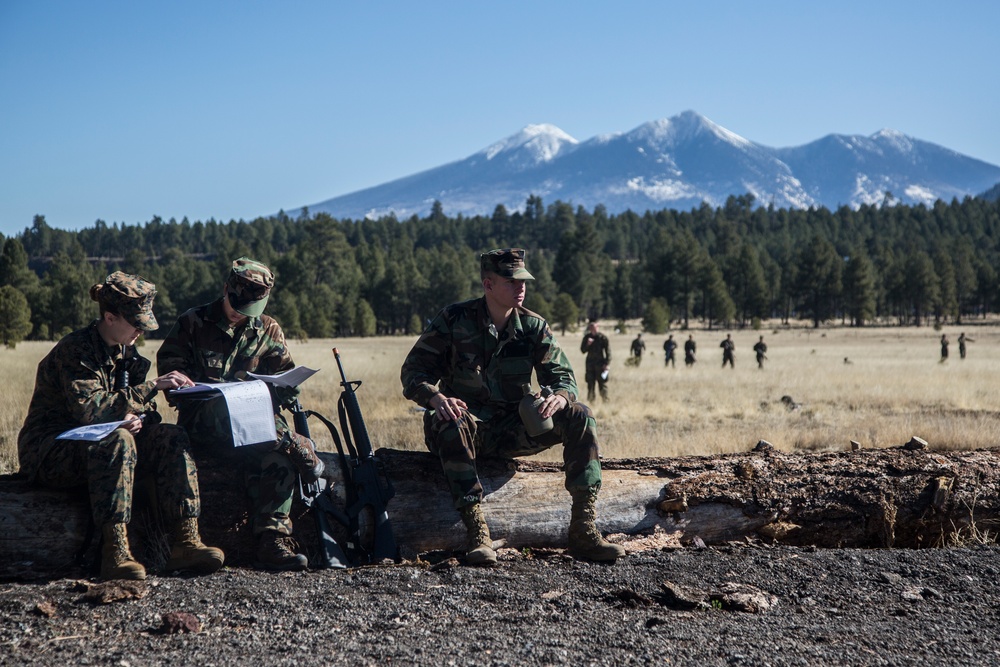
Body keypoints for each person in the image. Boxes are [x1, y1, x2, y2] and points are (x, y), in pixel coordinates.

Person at [400, 248, 625, 566]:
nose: (521, 287)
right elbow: (413, 372)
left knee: (581, 415)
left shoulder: (533, 327)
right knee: (452, 419)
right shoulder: (453, 320)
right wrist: (436, 398)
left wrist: (560, 396)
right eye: (512, 281)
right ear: (488, 284)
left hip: (513, 430)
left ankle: (584, 529)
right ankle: (476, 533)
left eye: (524, 281)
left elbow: (563, 378)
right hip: (464, 429)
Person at [17, 272, 224, 580]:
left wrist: (142, 418)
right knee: (119, 440)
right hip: (51, 451)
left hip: (99, 445)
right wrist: (152, 386)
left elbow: (145, 411)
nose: (141, 330)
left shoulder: (127, 353)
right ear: (110, 317)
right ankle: (115, 553)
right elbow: (90, 410)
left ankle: (186, 541)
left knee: (170, 435)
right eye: (136, 323)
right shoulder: (76, 351)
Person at [157, 257, 323, 571]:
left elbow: (285, 378)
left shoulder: (268, 328)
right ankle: (291, 442)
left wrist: (286, 387)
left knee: (279, 462)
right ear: (225, 290)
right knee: (227, 406)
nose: (240, 315)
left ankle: (273, 540)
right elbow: (170, 373)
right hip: (206, 424)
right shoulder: (192, 322)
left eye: (249, 311)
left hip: (256, 431)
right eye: (236, 307)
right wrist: (188, 383)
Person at [580, 320, 611, 402]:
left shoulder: (603, 338)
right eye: (592, 328)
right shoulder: (587, 338)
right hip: (590, 365)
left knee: (602, 384)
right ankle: (591, 402)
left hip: (600, 365)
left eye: (595, 327)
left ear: (598, 327)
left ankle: (605, 400)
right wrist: (588, 344)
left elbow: (608, 352)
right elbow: (583, 350)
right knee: (590, 384)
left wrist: (606, 364)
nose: (594, 329)